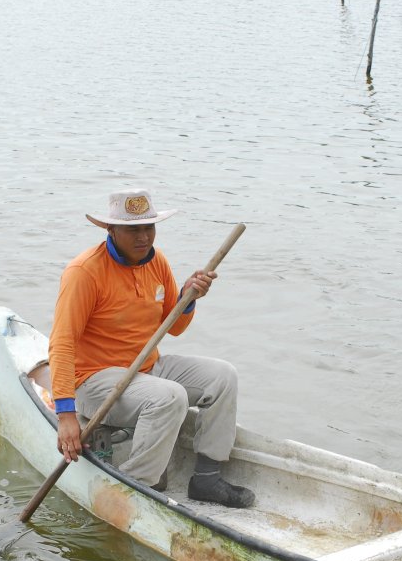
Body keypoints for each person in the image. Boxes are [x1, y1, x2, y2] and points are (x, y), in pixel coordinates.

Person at [47, 188, 255, 508]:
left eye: (149, 228)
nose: (143, 237)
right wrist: (65, 416)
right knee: (171, 396)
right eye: (133, 230)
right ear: (111, 231)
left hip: (145, 368)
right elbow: (61, 343)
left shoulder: (156, 262)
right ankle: (138, 487)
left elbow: (174, 327)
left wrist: (188, 297)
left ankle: (207, 478)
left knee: (222, 376)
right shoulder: (84, 272)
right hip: (94, 380)